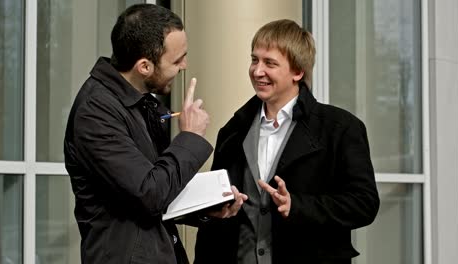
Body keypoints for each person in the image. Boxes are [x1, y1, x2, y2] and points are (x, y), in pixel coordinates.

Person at [193, 19, 380, 264]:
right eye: (254, 60)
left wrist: (298, 206)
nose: (257, 71)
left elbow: (363, 204)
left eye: (270, 63)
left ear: (298, 72)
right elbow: (214, 226)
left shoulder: (341, 129)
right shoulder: (233, 130)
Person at [64, 4, 213, 264]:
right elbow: (149, 193)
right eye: (177, 60)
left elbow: (157, 187)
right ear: (144, 66)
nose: (184, 66)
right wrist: (190, 137)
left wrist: (209, 207)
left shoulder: (137, 102)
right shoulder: (95, 112)